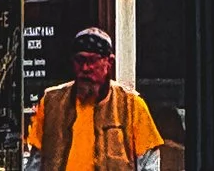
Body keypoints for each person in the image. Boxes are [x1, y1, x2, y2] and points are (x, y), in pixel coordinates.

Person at [25, 26, 164, 171]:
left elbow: (149, 164)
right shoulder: (51, 103)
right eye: (80, 60)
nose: (85, 68)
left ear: (109, 62)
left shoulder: (131, 105)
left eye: (92, 61)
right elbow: (35, 162)